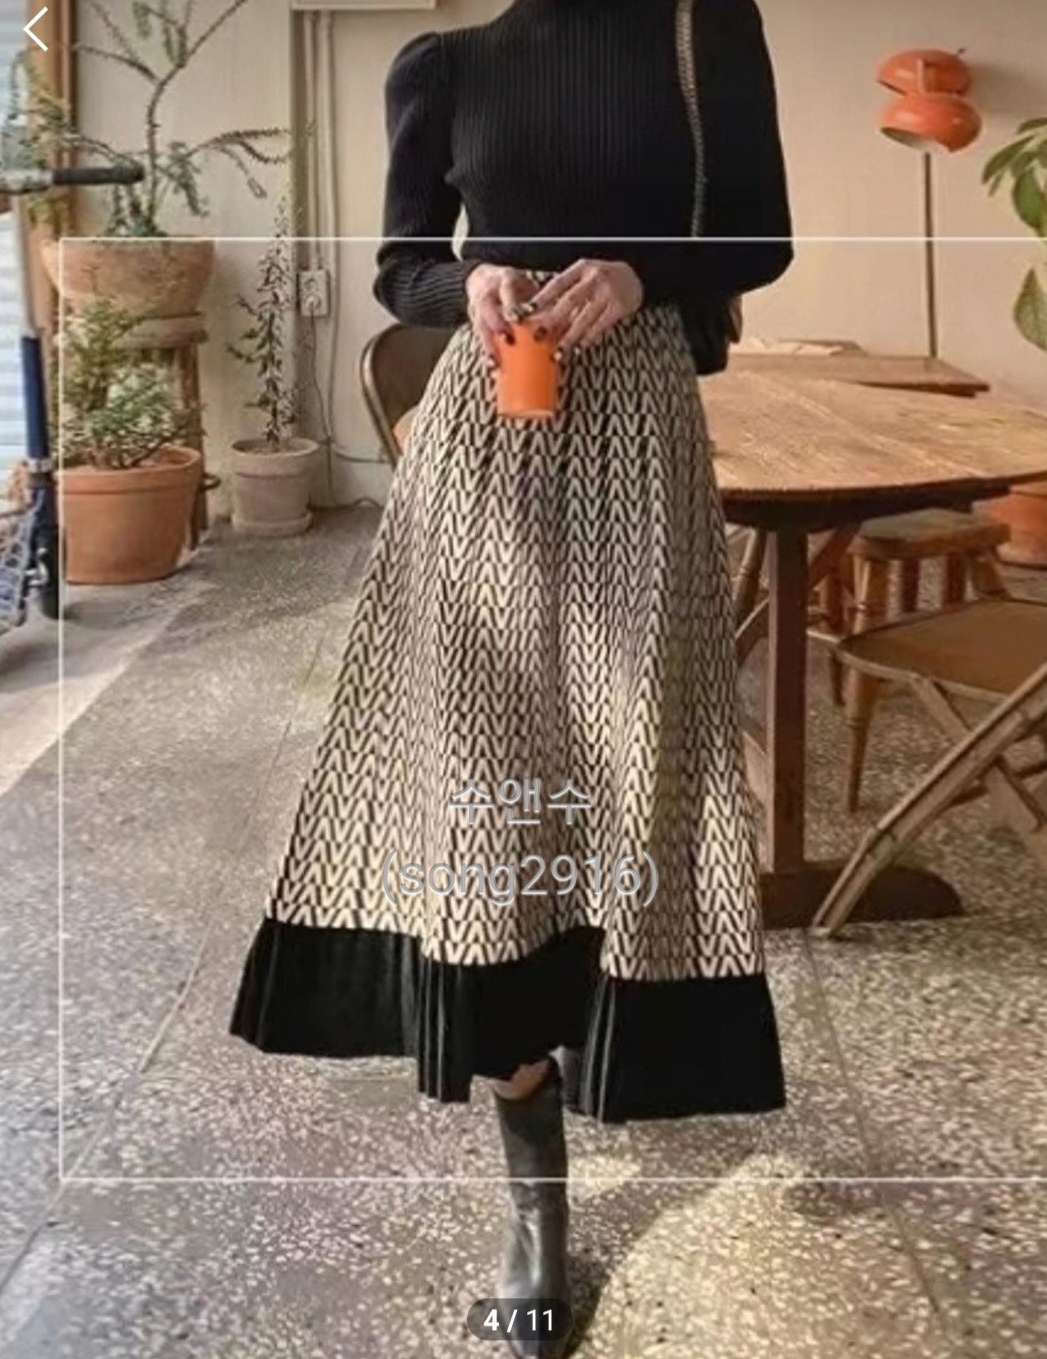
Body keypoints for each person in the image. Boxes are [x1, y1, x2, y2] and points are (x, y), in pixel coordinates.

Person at [230, 0, 793, 1353]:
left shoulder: (703, 25)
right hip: (487, 442)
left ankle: (610, 1028)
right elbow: (403, 266)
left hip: (641, 436)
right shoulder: (448, 64)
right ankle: (532, 1182)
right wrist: (469, 284)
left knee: (629, 768)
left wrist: (640, 273)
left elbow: (763, 236)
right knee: (488, 782)